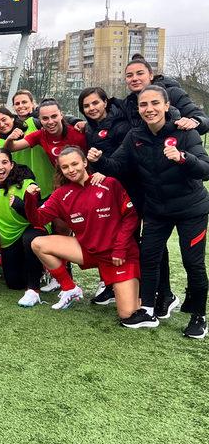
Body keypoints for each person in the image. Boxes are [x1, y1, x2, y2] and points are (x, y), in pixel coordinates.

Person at [88, 85, 209, 338]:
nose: (149, 109)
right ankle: (148, 310)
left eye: (155, 103)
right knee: (149, 258)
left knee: (192, 263)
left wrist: (182, 158)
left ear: (166, 106)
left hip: (191, 210)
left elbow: (206, 170)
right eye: (144, 105)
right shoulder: (135, 136)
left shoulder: (185, 132)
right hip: (156, 209)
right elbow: (117, 166)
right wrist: (99, 160)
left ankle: (199, 316)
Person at [23, 147, 140, 316]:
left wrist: (120, 249)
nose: (71, 170)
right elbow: (37, 220)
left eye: (75, 164)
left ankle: (144, 296)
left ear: (85, 162)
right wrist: (30, 199)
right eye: (65, 167)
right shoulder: (61, 194)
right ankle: (70, 288)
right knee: (38, 243)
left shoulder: (108, 183)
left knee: (128, 314)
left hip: (118, 255)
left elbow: (131, 217)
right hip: (88, 250)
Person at [79, 87, 136, 305]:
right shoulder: (90, 128)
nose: (91, 108)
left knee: (128, 240)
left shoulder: (121, 125)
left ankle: (137, 287)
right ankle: (110, 285)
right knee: (106, 237)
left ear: (105, 102)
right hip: (104, 190)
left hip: (126, 188)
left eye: (95, 103)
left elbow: (125, 160)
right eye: (86, 106)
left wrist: (104, 168)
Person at [0, 147, 50, 306]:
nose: (0, 167)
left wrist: (23, 205)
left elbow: (39, 216)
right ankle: (38, 267)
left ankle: (34, 289)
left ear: (12, 165)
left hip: (32, 229)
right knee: (14, 284)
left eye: (5, 162)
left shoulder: (26, 184)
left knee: (30, 239)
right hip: (8, 238)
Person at [0, 107, 53, 198]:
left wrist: (73, 121)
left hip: (49, 184)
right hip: (25, 190)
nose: (2, 124)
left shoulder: (32, 124)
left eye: (4, 119)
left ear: (12, 118)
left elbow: (54, 123)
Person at [116, 54, 208, 132]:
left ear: (151, 75)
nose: (134, 78)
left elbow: (203, 119)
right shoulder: (127, 103)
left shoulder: (173, 93)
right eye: (129, 75)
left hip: (172, 150)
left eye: (140, 73)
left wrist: (195, 121)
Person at [3, 99, 87, 167]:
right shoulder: (40, 135)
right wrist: (10, 139)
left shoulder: (78, 133)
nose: (50, 122)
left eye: (54, 116)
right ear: (40, 119)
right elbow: (11, 148)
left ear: (61, 115)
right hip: (62, 182)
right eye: (45, 118)